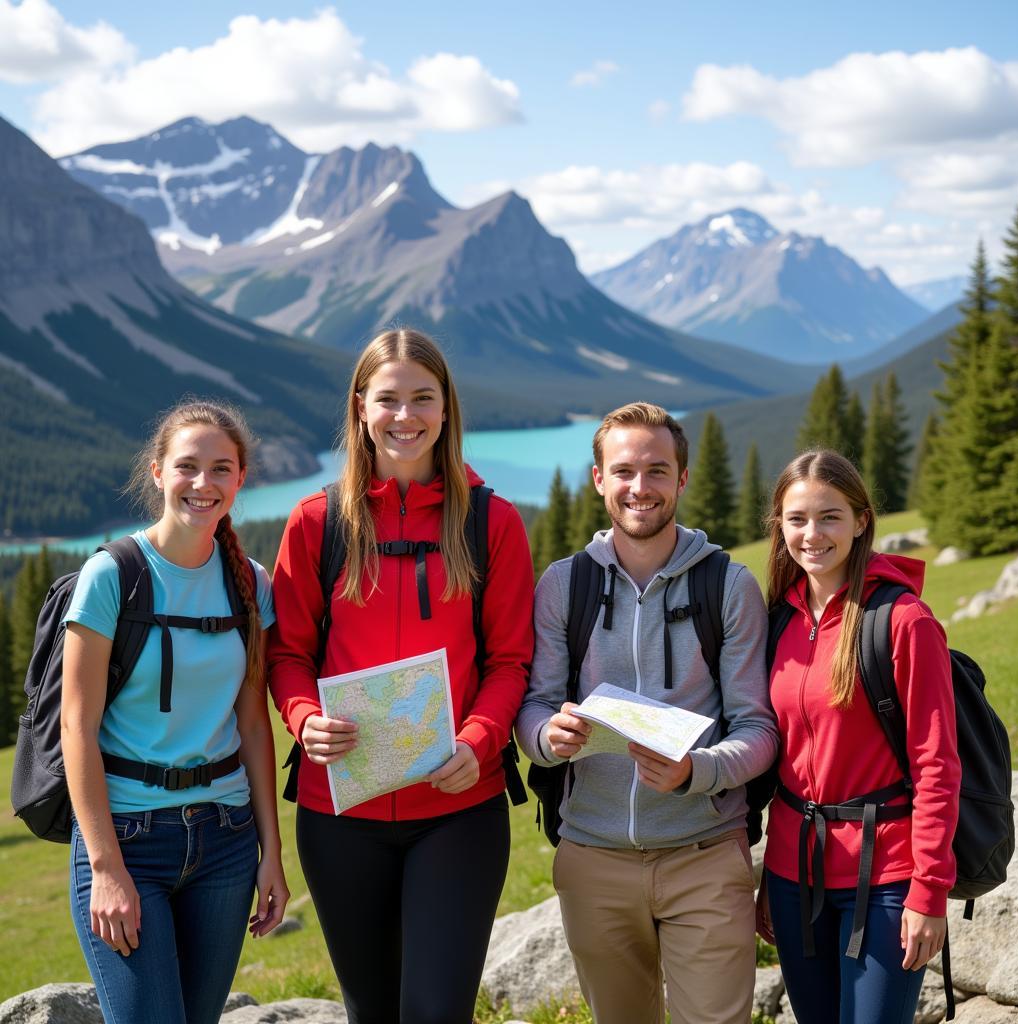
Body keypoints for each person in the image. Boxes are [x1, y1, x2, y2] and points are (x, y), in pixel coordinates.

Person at [268, 327, 534, 1024]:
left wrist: (478, 741)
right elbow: (287, 655)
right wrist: (303, 720)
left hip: (458, 809)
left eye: (423, 397)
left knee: (436, 1013)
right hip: (339, 811)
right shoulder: (317, 522)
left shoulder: (491, 523)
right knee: (370, 1012)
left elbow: (511, 662)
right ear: (361, 406)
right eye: (388, 398)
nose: (405, 415)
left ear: (447, 408)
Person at [516, 401, 778, 1024]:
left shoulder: (728, 585)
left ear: (682, 479)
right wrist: (547, 736)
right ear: (599, 479)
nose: (641, 487)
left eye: (658, 470)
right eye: (625, 471)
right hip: (593, 859)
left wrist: (699, 771)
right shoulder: (563, 584)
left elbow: (759, 728)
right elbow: (533, 706)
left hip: (706, 854)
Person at [61, 400, 288, 1024]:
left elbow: (252, 725)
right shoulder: (112, 575)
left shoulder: (251, 583)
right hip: (129, 840)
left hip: (227, 841)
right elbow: (76, 725)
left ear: (240, 479)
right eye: (187, 466)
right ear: (157, 472)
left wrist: (272, 852)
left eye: (221, 469)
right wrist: (104, 868)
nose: (203, 483)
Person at [756, 449, 960, 1024]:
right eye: (796, 519)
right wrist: (772, 878)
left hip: (888, 879)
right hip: (795, 877)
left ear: (862, 521)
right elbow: (785, 764)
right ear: (780, 526)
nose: (812, 534)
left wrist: (930, 893)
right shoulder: (778, 618)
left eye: (830, 517)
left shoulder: (904, 622)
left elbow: (937, 766)